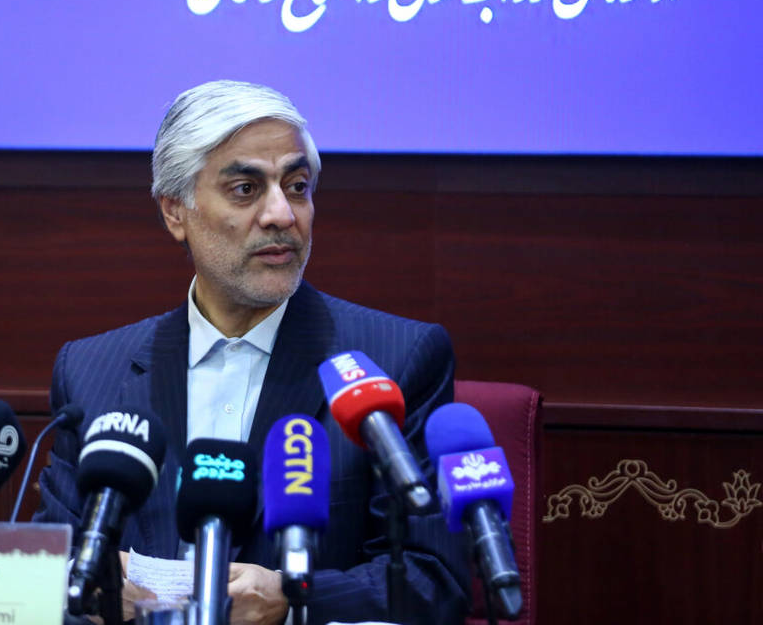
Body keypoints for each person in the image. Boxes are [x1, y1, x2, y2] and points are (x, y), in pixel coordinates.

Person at [35, 80, 470, 624]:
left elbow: (435, 581)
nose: (281, 214)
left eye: (297, 187)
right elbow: (47, 570)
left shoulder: (395, 362)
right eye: (245, 189)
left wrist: (293, 600)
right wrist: (94, 591)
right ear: (176, 212)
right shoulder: (90, 372)